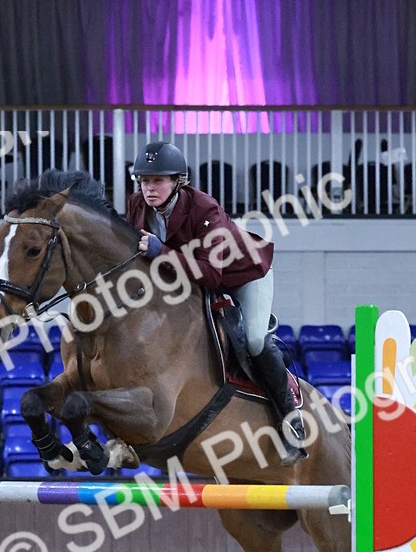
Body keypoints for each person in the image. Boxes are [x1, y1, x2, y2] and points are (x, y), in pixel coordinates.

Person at [127, 141, 304, 463]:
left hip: (243, 275)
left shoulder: (204, 208)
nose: (149, 188)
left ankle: (291, 419)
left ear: (177, 181)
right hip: (190, 280)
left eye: (158, 181)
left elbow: (210, 274)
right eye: (144, 180)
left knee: (254, 340)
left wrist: (160, 251)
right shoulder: (137, 204)